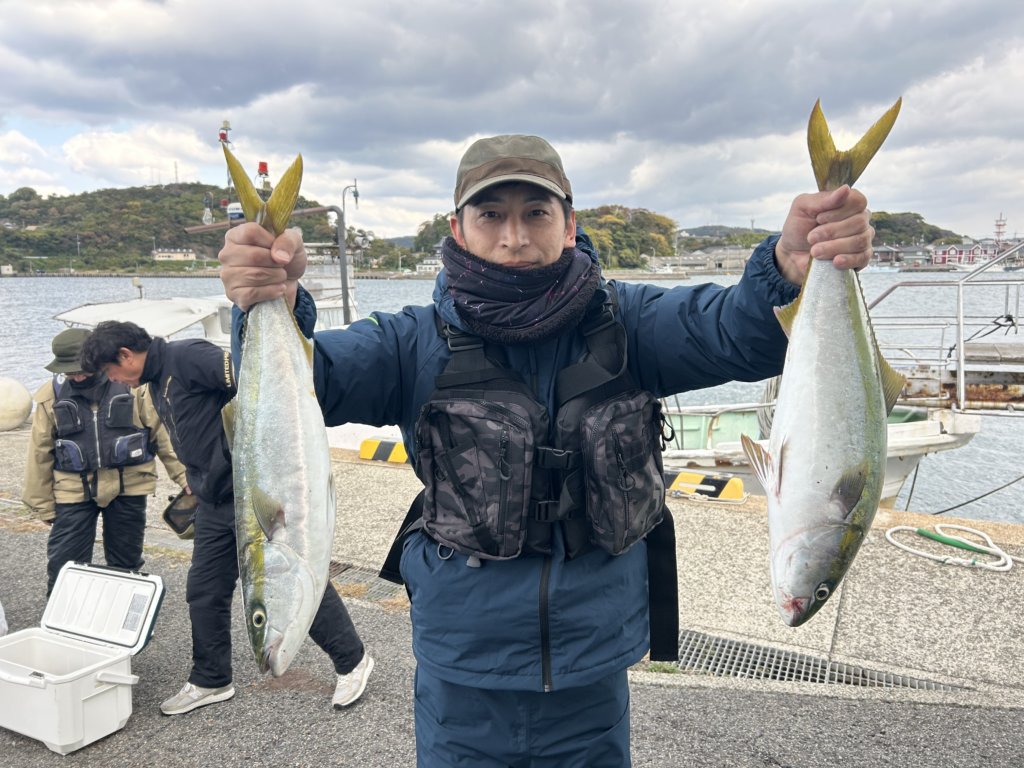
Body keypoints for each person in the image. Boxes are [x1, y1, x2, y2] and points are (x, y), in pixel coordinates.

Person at [218, 134, 874, 765]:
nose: (513, 236)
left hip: (592, 673)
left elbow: (736, 334)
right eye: (491, 214)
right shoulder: (411, 342)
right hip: (463, 679)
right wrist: (269, 304)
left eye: (535, 213)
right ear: (457, 230)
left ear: (568, 225)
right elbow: (305, 386)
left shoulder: (630, 324)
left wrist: (787, 267)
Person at [79, 323, 373, 715]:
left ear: (125, 356)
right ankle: (211, 679)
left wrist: (247, 463)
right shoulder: (154, 381)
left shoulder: (187, 357)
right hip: (213, 502)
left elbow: (260, 388)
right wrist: (195, 480)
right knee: (204, 590)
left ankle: (352, 661)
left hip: (249, 494)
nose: (113, 380)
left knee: (289, 580)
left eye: (111, 372)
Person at [23, 327, 188, 596]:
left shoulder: (134, 389)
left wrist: (185, 478)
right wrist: (41, 504)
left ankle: (123, 623)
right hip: (72, 490)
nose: (77, 376)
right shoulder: (49, 397)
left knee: (126, 563)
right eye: (70, 372)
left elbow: (163, 435)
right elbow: (39, 453)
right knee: (65, 563)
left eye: (82, 369)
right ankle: (64, 622)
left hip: (129, 488)